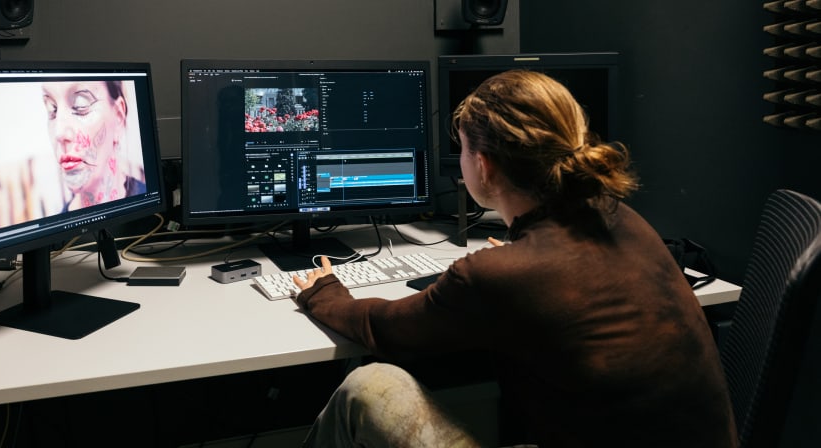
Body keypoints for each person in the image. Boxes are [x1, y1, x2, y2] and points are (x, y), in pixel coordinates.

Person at [290, 70, 737, 447]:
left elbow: (381, 329)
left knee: (367, 388)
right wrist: (515, 263)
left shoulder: (499, 275)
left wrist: (324, 290)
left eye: (463, 147)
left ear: (482, 166)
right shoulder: (621, 217)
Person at [42, 80, 146, 212]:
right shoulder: (59, 226)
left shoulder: (149, 207)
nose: (59, 133)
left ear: (118, 117)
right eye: (53, 110)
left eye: (80, 104)